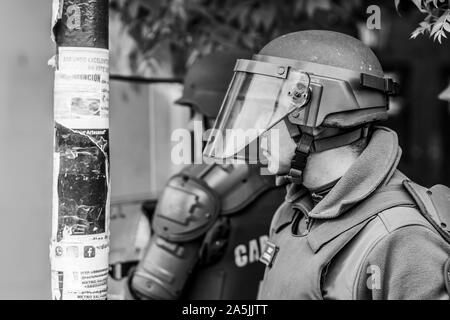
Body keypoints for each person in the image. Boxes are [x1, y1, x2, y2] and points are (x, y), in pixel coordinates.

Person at [203, 30, 450, 300]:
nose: (258, 132)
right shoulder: (292, 213)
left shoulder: (404, 239)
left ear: (315, 123)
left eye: (268, 113)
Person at [118, 50, 286, 300]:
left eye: (196, 113)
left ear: (220, 115)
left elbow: (145, 294)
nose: (189, 126)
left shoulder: (194, 194)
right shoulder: (291, 177)